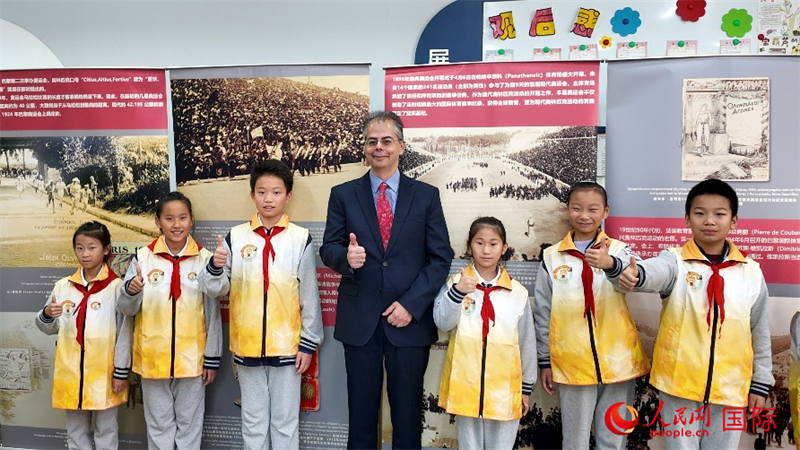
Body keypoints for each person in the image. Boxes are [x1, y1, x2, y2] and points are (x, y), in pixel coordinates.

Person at [319, 110, 452, 449]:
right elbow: (328, 248)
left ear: (401, 146)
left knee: (407, 416)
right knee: (361, 415)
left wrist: (411, 305)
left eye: (387, 141)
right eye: (372, 141)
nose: (379, 147)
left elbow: (440, 258)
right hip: (360, 319)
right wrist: (346, 259)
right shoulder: (343, 194)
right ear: (365, 148)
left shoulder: (425, 196)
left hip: (408, 321)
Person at [611, 178, 774, 449]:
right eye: (700, 213)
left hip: (730, 388)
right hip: (679, 386)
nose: (709, 221)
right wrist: (634, 273)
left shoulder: (751, 272)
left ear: (733, 220)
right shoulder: (675, 261)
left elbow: (759, 330)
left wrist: (760, 382)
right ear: (687, 218)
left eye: (719, 214)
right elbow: (655, 272)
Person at [199, 159, 323, 450]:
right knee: (253, 423)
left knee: (285, 422)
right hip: (247, 347)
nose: (269, 199)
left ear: (288, 196)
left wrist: (308, 343)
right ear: (252, 194)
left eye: (276, 192)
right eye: (262, 192)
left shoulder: (300, 239)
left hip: (288, 349)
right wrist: (215, 267)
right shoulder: (235, 237)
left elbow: (309, 296)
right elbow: (215, 289)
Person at [533, 181, 650, 449]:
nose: (584, 215)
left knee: (613, 438)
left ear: (606, 211)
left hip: (619, 362)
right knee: (575, 440)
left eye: (593, 209)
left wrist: (612, 265)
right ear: (567, 209)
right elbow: (543, 312)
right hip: (572, 363)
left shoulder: (620, 251)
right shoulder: (552, 257)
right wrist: (545, 360)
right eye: (577, 208)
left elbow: (638, 278)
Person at [118, 191, 222, 450]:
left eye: (182, 218)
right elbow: (127, 310)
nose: (176, 225)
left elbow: (212, 312)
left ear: (192, 220)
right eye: (169, 218)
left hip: (192, 360)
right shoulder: (142, 258)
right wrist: (131, 291)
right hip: (152, 358)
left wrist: (212, 356)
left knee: (190, 426)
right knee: (158, 427)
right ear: (158, 222)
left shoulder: (206, 260)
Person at [434, 217, 536, 449]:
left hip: (505, 388)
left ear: (504, 247)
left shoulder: (517, 292)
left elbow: (526, 341)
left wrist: (526, 387)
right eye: (479, 243)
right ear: (470, 246)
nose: (486, 250)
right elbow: (442, 323)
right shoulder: (456, 283)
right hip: (466, 385)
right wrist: (457, 293)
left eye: (493, 244)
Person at [35, 221, 131, 450]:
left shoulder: (117, 288)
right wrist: (47, 314)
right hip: (71, 373)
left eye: (91, 247)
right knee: (76, 432)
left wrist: (121, 370)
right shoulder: (63, 287)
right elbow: (49, 327)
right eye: (79, 248)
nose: (85, 254)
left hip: (105, 373)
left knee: (106, 430)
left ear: (106, 249)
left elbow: (125, 331)